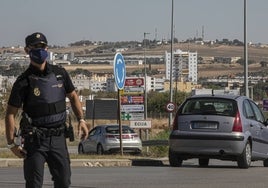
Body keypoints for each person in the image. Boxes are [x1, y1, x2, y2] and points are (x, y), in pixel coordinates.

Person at [5, 32, 89, 188]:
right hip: (35, 140)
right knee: (34, 183)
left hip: (58, 138)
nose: (39, 49)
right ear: (26, 50)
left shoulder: (60, 74)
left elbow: (73, 96)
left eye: (42, 46)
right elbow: (10, 113)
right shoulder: (23, 81)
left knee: (64, 181)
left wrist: (81, 120)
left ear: (47, 48)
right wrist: (12, 145)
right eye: (35, 47)